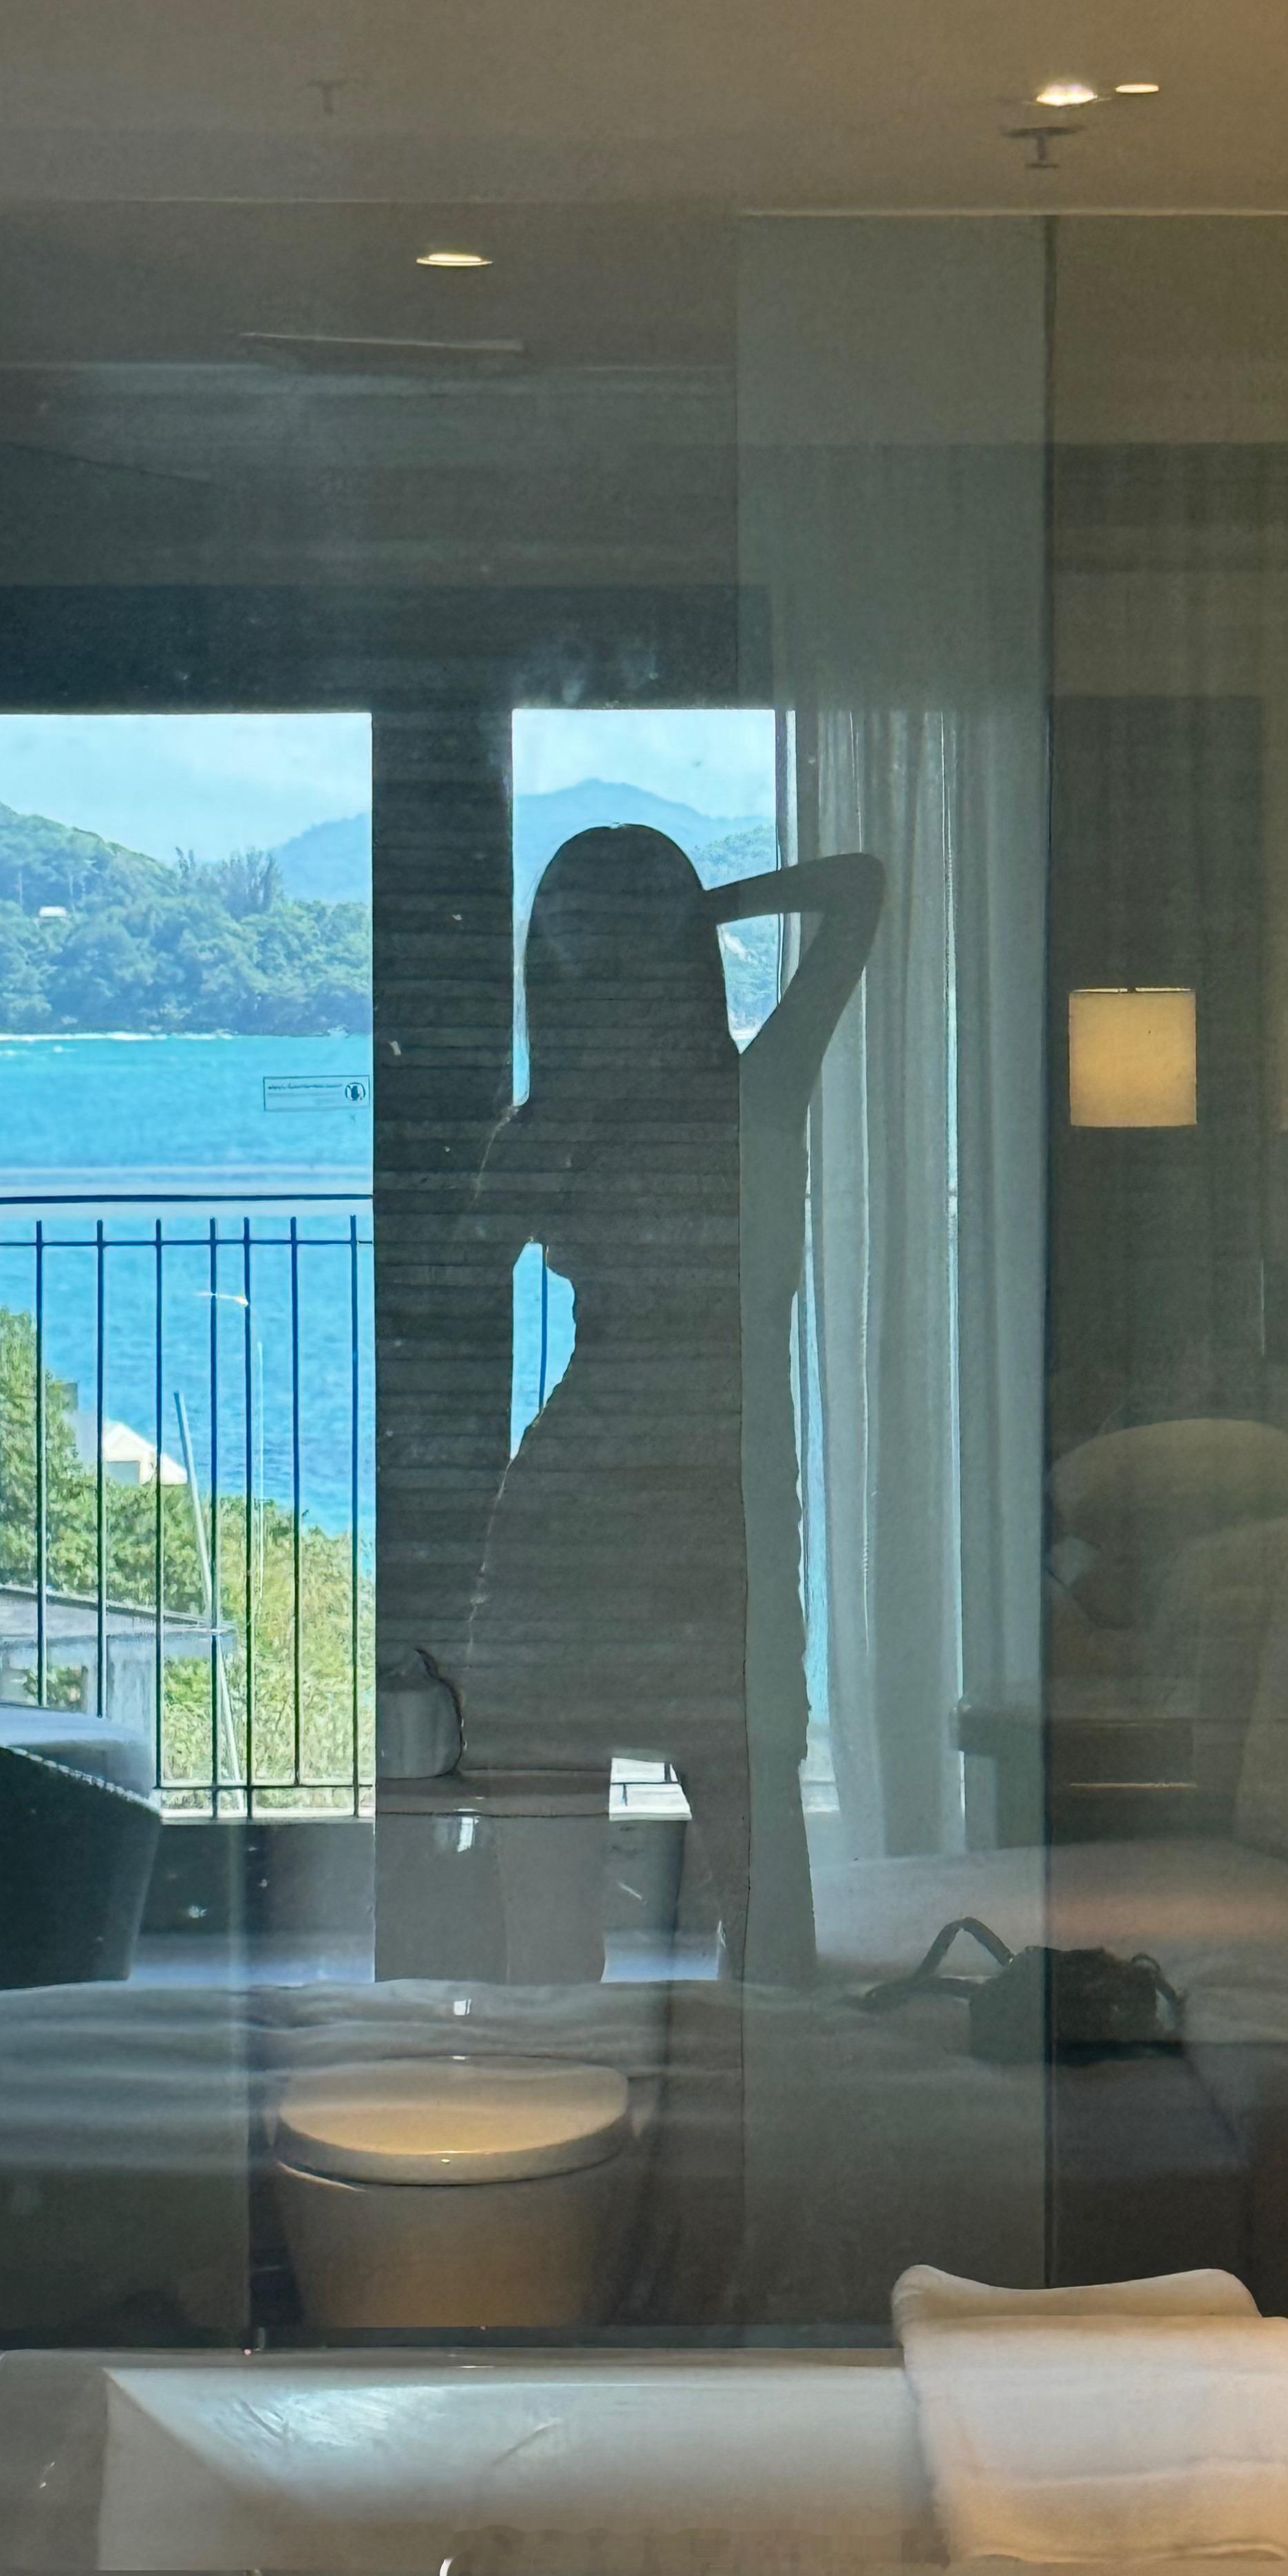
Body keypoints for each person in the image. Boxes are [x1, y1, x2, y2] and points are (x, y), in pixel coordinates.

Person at [455, 824, 883, 1982]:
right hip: (660, 1505)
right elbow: (455, 1282)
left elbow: (857, 889)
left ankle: (615, 2070)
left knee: (728, 1903)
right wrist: (686, 917)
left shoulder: (718, 1094)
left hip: (679, 1511)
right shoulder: (742, 1092)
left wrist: (687, 909)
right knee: (704, 1903)